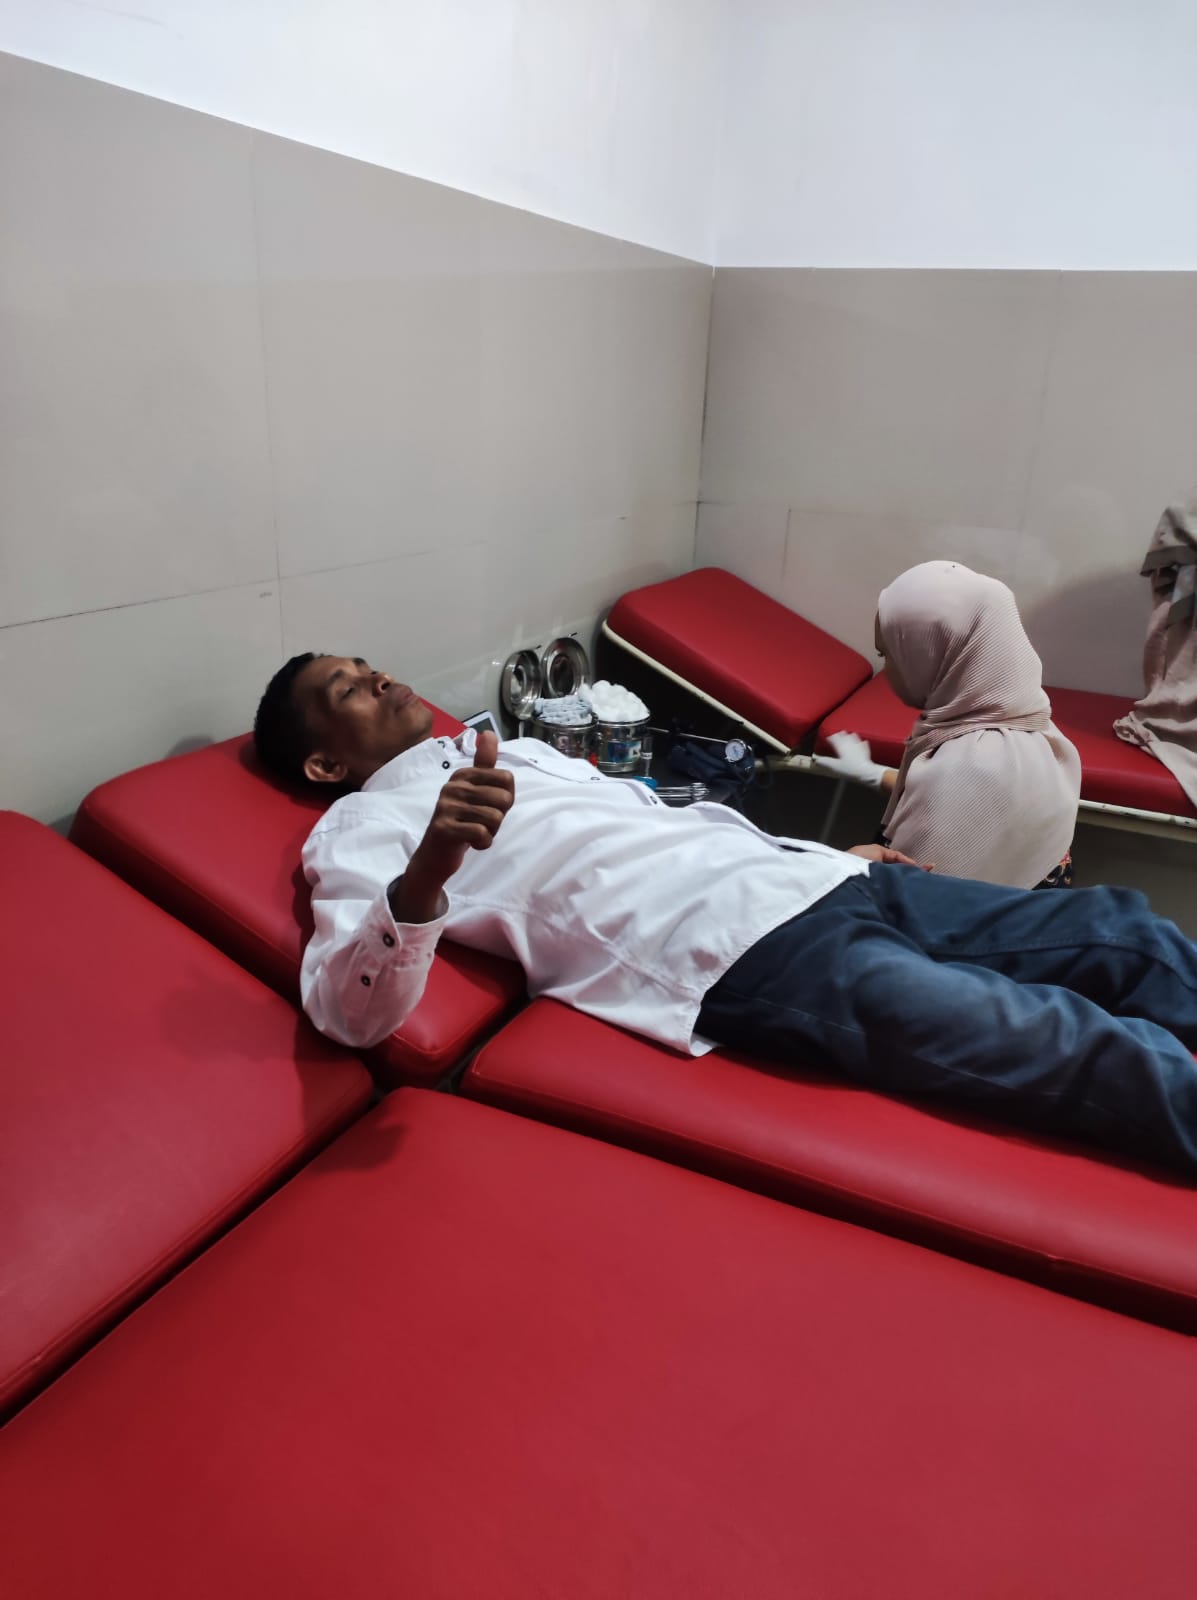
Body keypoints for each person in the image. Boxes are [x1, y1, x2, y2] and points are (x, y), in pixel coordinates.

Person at [254, 651, 1197, 1175]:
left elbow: (659, 820)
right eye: (348, 690)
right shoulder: (362, 827)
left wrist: (829, 855)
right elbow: (346, 1012)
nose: (380, 679)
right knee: (1059, 1038)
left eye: (369, 666)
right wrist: (428, 871)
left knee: (1121, 931)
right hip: (738, 954)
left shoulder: (514, 753)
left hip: (816, 881)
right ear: (325, 762)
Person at [815, 561, 1081, 889]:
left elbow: (907, 901)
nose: (885, 669)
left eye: (888, 655)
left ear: (930, 657)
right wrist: (873, 773)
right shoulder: (1033, 728)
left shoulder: (967, 767)